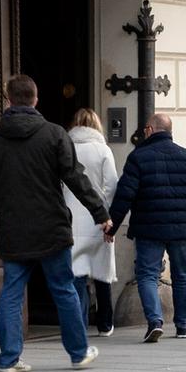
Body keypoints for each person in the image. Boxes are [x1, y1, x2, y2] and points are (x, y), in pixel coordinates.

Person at [0, 75, 110, 372]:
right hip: (51, 226)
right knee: (63, 288)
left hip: (14, 228)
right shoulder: (53, 134)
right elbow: (75, 176)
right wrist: (100, 213)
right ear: (35, 99)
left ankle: (9, 359)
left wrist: (0, 204)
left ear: (8, 100)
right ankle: (77, 353)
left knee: (11, 292)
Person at [105, 112, 186, 343]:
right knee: (182, 274)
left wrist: (111, 226)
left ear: (150, 130)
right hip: (182, 229)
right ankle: (183, 325)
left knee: (147, 274)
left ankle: (155, 322)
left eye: (145, 130)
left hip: (149, 229)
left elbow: (125, 195)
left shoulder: (138, 157)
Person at [66, 108, 120, 336]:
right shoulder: (102, 150)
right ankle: (105, 323)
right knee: (101, 274)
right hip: (98, 220)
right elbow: (112, 184)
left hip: (70, 219)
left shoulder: (66, 149)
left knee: (76, 274)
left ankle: (78, 323)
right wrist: (104, 211)